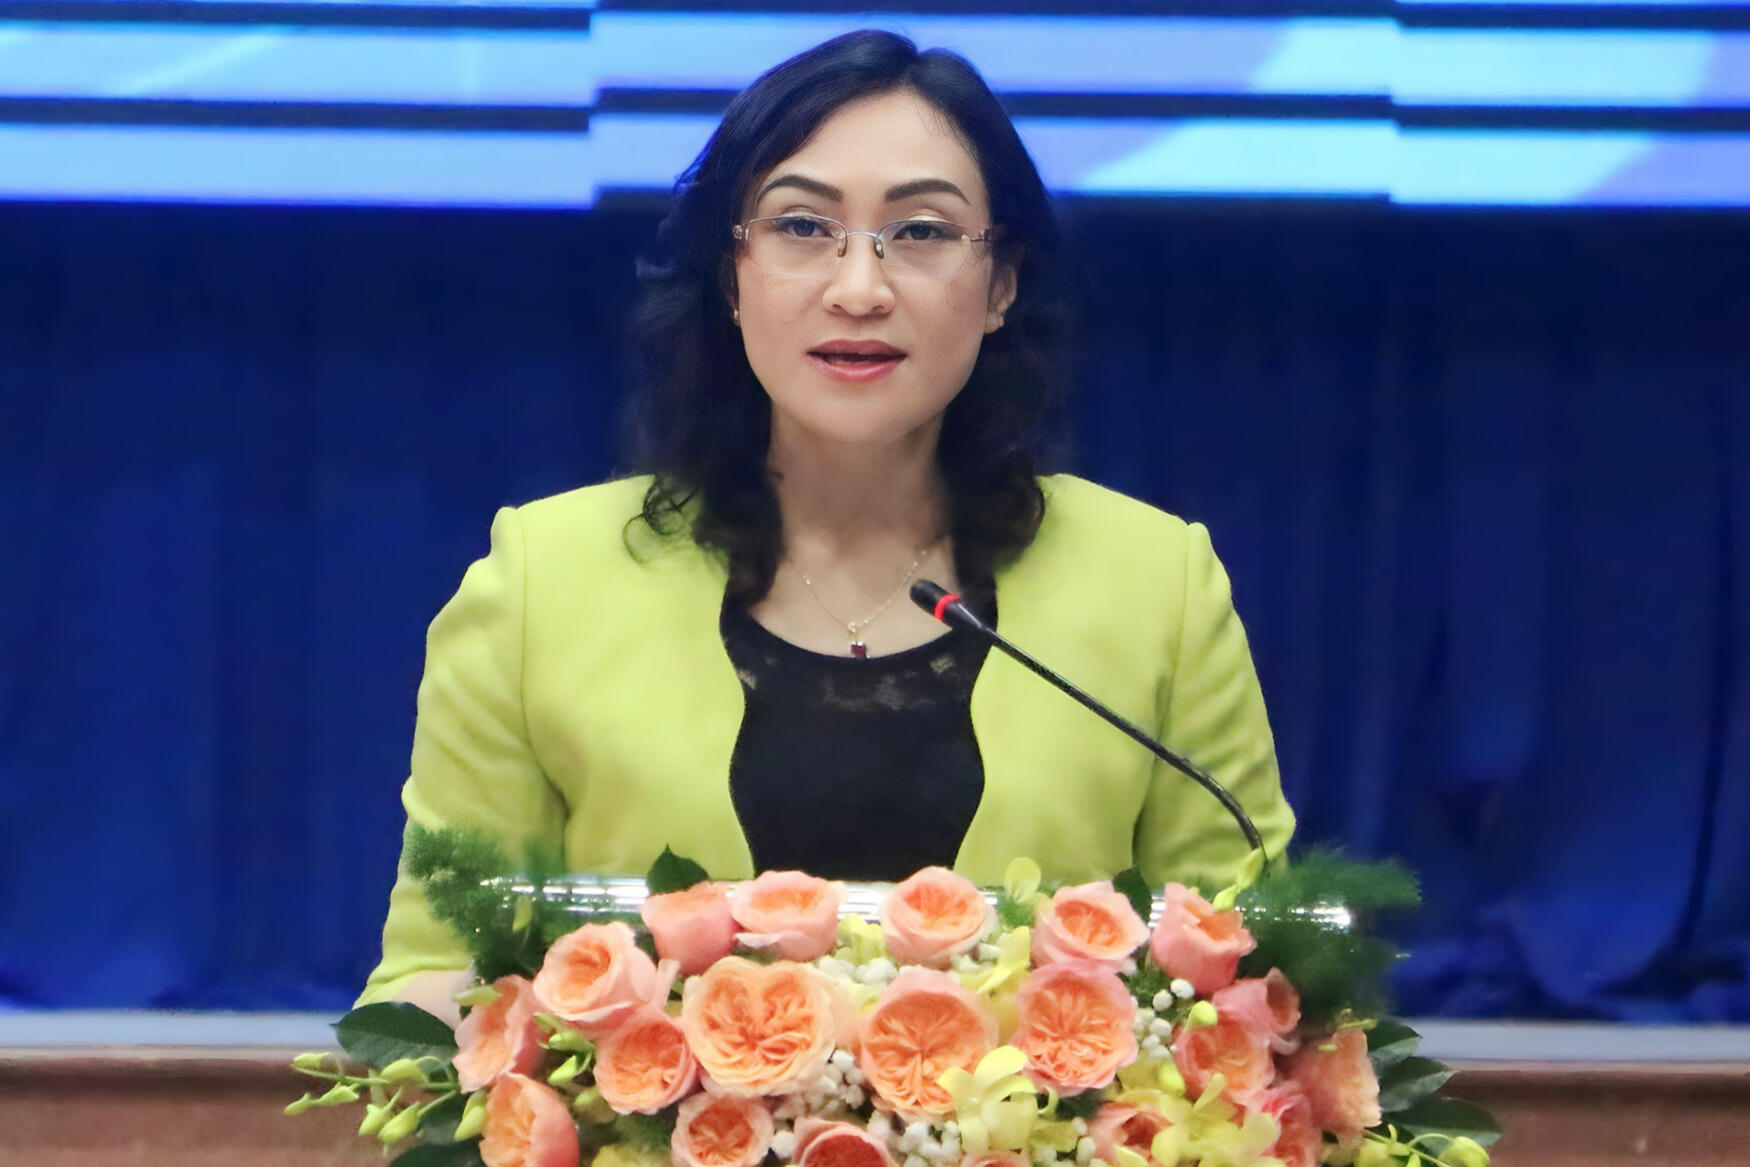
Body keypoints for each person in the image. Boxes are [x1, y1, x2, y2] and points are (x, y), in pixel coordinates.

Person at [361, 30, 1294, 1021]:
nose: (859, 289)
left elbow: (1260, 981)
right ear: (731, 274)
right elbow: (432, 979)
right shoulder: (542, 582)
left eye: (921, 232)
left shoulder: (1156, 585)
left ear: (1001, 285)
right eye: (802, 227)